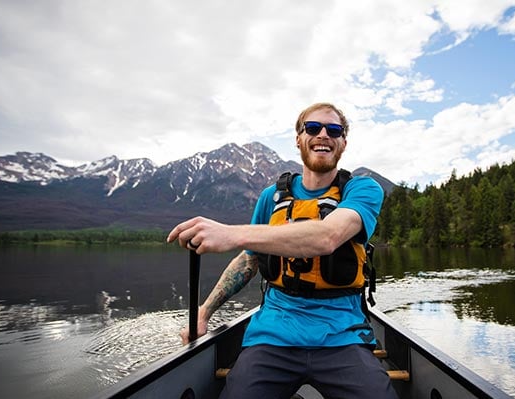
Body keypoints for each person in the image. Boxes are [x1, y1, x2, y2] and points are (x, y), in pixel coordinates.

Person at [166, 102, 396, 398]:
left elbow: (328, 237)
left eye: (334, 130)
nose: (323, 135)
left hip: (342, 335)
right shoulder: (270, 197)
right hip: (273, 334)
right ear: (299, 139)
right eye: (313, 128)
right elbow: (249, 260)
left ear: (343, 142)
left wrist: (231, 233)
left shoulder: (362, 189)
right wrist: (203, 312)